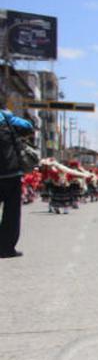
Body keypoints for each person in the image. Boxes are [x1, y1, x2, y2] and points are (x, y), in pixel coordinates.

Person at [0, 110, 35, 258]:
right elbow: (28, 126)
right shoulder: (5, 117)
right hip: (10, 172)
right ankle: (6, 248)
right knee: (11, 213)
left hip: (9, 173)